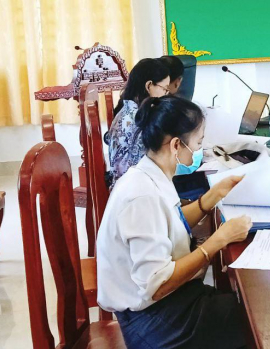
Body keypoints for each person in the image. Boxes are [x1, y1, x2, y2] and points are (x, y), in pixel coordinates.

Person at [97, 95, 251, 348]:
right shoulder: (141, 196)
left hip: (166, 302)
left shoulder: (150, 173)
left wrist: (212, 197)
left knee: (240, 306)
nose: (200, 150)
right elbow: (156, 285)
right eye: (198, 143)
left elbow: (169, 223)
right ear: (176, 145)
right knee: (250, 319)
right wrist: (218, 240)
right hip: (150, 321)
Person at [106, 58, 170, 188]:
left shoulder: (127, 109)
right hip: (132, 190)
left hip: (123, 185)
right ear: (149, 86)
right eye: (165, 89)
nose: (166, 95)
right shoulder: (138, 119)